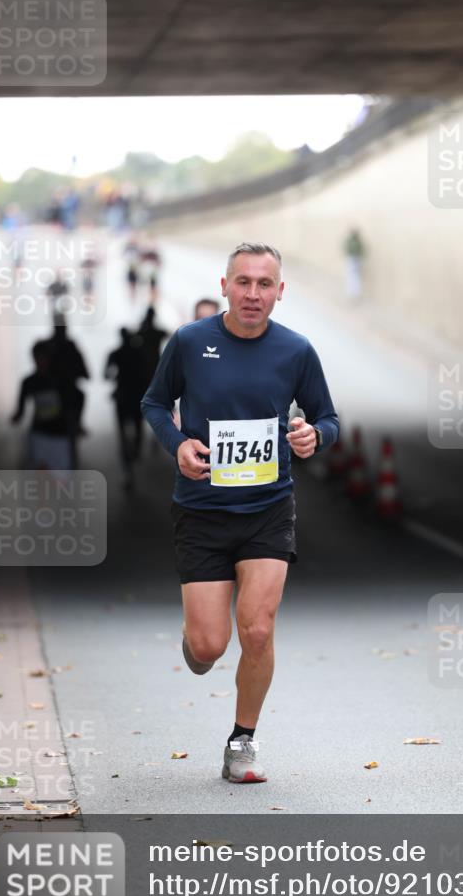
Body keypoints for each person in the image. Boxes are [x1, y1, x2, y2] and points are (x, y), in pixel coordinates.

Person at [141, 242, 339, 784]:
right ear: (225, 286)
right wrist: (178, 445)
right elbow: (154, 403)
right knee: (210, 645)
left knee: (257, 629)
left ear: (280, 291)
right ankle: (196, 639)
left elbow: (327, 418)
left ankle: (242, 742)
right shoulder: (190, 342)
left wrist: (314, 436)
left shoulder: (296, 350)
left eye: (264, 284)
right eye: (244, 282)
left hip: (268, 508)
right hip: (202, 510)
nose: (254, 293)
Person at [10, 340, 75, 473]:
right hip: (39, 435)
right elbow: (20, 409)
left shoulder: (61, 381)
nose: (41, 361)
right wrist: (16, 417)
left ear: (49, 358)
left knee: (60, 478)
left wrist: (76, 424)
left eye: (43, 358)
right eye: (38, 358)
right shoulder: (29, 382)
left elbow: (75, 400)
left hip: (60, 435)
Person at [105, 328, 147, 489]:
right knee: (138, 429)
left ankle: (128, 466)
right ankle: (133, 455)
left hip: (122, 397)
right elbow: (148, 374)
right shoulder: (139, 353)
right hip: (137, 396)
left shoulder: (115, 354)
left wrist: (117, 376)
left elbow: (106, 374)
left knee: (123, 434)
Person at [344, 228, 365, 300]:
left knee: (354, 277)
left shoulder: (355, 242)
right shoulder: (354, 242)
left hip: (354, 261)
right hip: (354, 260)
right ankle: (353, 294)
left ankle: (354, 294)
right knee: (353, 277)